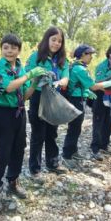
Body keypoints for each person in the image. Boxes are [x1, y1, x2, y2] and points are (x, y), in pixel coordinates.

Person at [0, 34, 46, 212]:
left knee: (19, 148)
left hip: (19, 112)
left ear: (19, 50)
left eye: (13, 48)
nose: (9, 51)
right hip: (2, 113)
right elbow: (7, 87)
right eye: (6, 47)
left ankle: (13, 181)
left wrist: (34, 83)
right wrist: (29, 74)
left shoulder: (19, 67)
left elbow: (24, 96)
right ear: (1, 49)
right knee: (2, 152)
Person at [62, 44, 111, 169]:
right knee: (74, 128)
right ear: (83, 55)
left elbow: (82, 85)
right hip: (76, 100)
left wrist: (88, 93)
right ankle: (66, 155)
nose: (91, 57)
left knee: (76, 127)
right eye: (90, 54)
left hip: (78, 98)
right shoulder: (80, 69)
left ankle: (73, 151)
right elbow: (93, 85)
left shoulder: (76, 66)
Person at [25, 27, 69, 176]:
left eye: (59, 41)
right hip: (38, 98)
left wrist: (60, 82)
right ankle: (35, 169)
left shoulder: (62, 60)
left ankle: (53, 163)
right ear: (46, 40)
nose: (56, 43)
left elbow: (65, 77)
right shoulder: (35, 57)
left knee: (52, 133)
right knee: (38, 134)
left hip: (55, 99)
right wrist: (37, 78)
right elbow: (27, 76)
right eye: (53, 40)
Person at [90, 44, 111, 161]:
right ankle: (95, 148)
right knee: (98, 122)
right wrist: (110, 85)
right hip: (100, 96)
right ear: (110, 54)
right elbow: (98, 82)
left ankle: (104, 145)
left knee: (109, 121)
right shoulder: (101, 66)